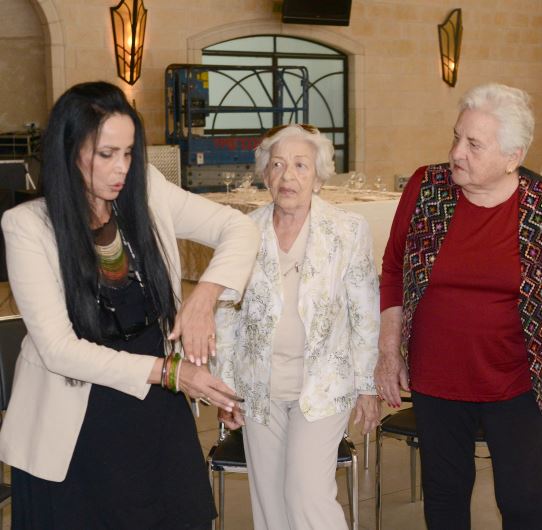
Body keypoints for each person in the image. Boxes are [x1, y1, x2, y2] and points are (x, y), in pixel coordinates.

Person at [0, 81, 260, 529]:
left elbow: (239, 228)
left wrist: (205, 295)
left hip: (155, 413)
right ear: (69, 150)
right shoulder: (28, 227)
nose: (122, 168)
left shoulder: (148, 191)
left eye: (128, 153)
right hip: (76, 426)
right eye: (106, 154)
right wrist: (173, 373)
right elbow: (59, 350)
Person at [374, 83, 542, 529]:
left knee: (525, 502)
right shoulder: (426, 188)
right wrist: (388, 352)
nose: (456, 153)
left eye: (474, 144)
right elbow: (393, 269)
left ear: (513, 157)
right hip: (436, 377)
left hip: (517, 378)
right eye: (456, 137)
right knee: (445, 497)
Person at [213, 124, 381, 530]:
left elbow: (364, 312)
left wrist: (367, 385)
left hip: (323, 385)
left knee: (306, 496)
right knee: (270, 503)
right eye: (277, 165)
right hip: (259, 388)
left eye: (301, 165)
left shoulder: (347, 230)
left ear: (319, 177)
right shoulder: (243, 231)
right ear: (265, 174)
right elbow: (226, 315)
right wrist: (224, 388)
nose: (287, 176)